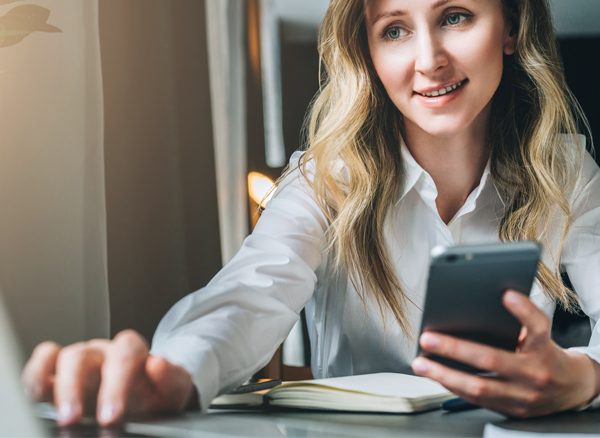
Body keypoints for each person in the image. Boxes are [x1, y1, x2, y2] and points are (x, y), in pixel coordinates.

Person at [22, 0, 600, 426]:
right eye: (394, 30)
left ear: (511, 27)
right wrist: (173, 371)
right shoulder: (325, 178)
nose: (429, 61)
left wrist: (585, 376)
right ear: (368, 53)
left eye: (455, 16)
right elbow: (254, 291)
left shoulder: (565, 170)